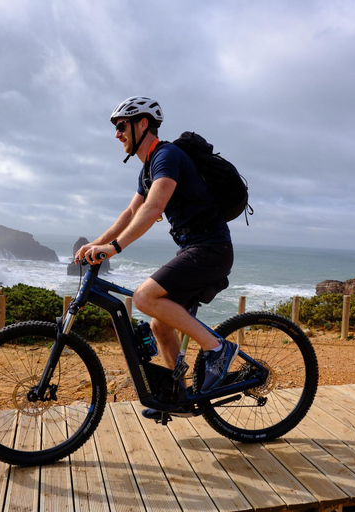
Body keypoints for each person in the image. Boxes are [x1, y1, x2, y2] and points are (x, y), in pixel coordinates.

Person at [75, 96, 238, 416]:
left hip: (210, 249)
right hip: (195, 249)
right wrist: (95, 243)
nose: (117, 134)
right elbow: (130, 212)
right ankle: (177, 395)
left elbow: (153, 208)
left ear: (142, 124)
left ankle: (218, 349)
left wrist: (115, 248)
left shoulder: (166, 156)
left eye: (121, 126)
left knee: (144, 297)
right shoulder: (148, 169)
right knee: (160, 326)